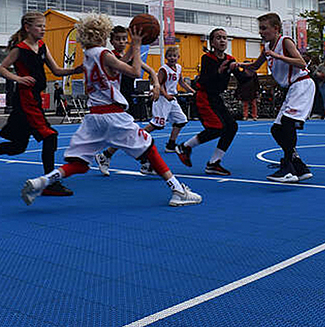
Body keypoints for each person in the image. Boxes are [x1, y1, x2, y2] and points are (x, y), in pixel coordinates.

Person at [20, 13, 201, 207]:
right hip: (113, 114)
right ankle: (178, 190)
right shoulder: (105, 54)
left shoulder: (89, 56)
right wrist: (138, 45)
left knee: (80, 163)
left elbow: (122, 61)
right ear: (102, 34)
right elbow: (134, 72)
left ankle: (44, 181)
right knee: (149, 147)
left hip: (93, 116)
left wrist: (133, 47)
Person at [0, 12, 83, 196]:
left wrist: (76, 69)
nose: (43, 29)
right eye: (39, 26)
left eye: (44, 26)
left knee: (18, 146)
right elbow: (1, 69)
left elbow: (57, 70)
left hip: (33, 98)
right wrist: (18, 79)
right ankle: (49, 183)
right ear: (27, 28)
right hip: (26, 98)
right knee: (50, 136)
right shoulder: (19, 49)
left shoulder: (42, 46)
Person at [249, 13, 313, 183]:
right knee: (276, 129)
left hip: (302, 84)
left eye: (264, 28)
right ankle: (298, 165)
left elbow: (301, 63)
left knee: (287, 123)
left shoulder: (285, 42)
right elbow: (254, 67)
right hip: (292, 88)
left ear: (275, 28)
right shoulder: (267, 47)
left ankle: (288, 168)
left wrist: (278, 56)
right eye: (260, 28)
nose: (261, 32)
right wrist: (237, 65)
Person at [175, 28, 248, 176]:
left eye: (224, 38)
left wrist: (247, 69)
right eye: (218, 38)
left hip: (216, 98)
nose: (222, 40)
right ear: (212, 42)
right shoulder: (207, 58)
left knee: (232, 127)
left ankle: (214, 163)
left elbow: (243, 79)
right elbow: (205, 81)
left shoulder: (230, 59)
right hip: (204, 96)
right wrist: (219, 72)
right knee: (217, 128)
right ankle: (184, 147)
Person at [93, 25, 160, 176]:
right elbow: (120, 68)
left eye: (124, 38)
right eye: (118, 39)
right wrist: (134, 49)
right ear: (111, 41)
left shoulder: (130, 56)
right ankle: (145, 163)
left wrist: (156, 85)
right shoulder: (110, 56)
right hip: (113, 100)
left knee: (124, 134)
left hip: (127, 98)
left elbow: (151, 71)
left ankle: (105, 156)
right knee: (131, 134)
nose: (122, 41)